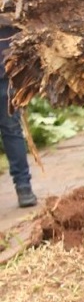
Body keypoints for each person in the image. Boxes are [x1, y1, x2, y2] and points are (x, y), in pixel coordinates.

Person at [0, 20, 38, 208]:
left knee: (12, 130)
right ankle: (23, 186)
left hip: (4, 71)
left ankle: (23, 187)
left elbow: (19, 21)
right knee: (12, 130)